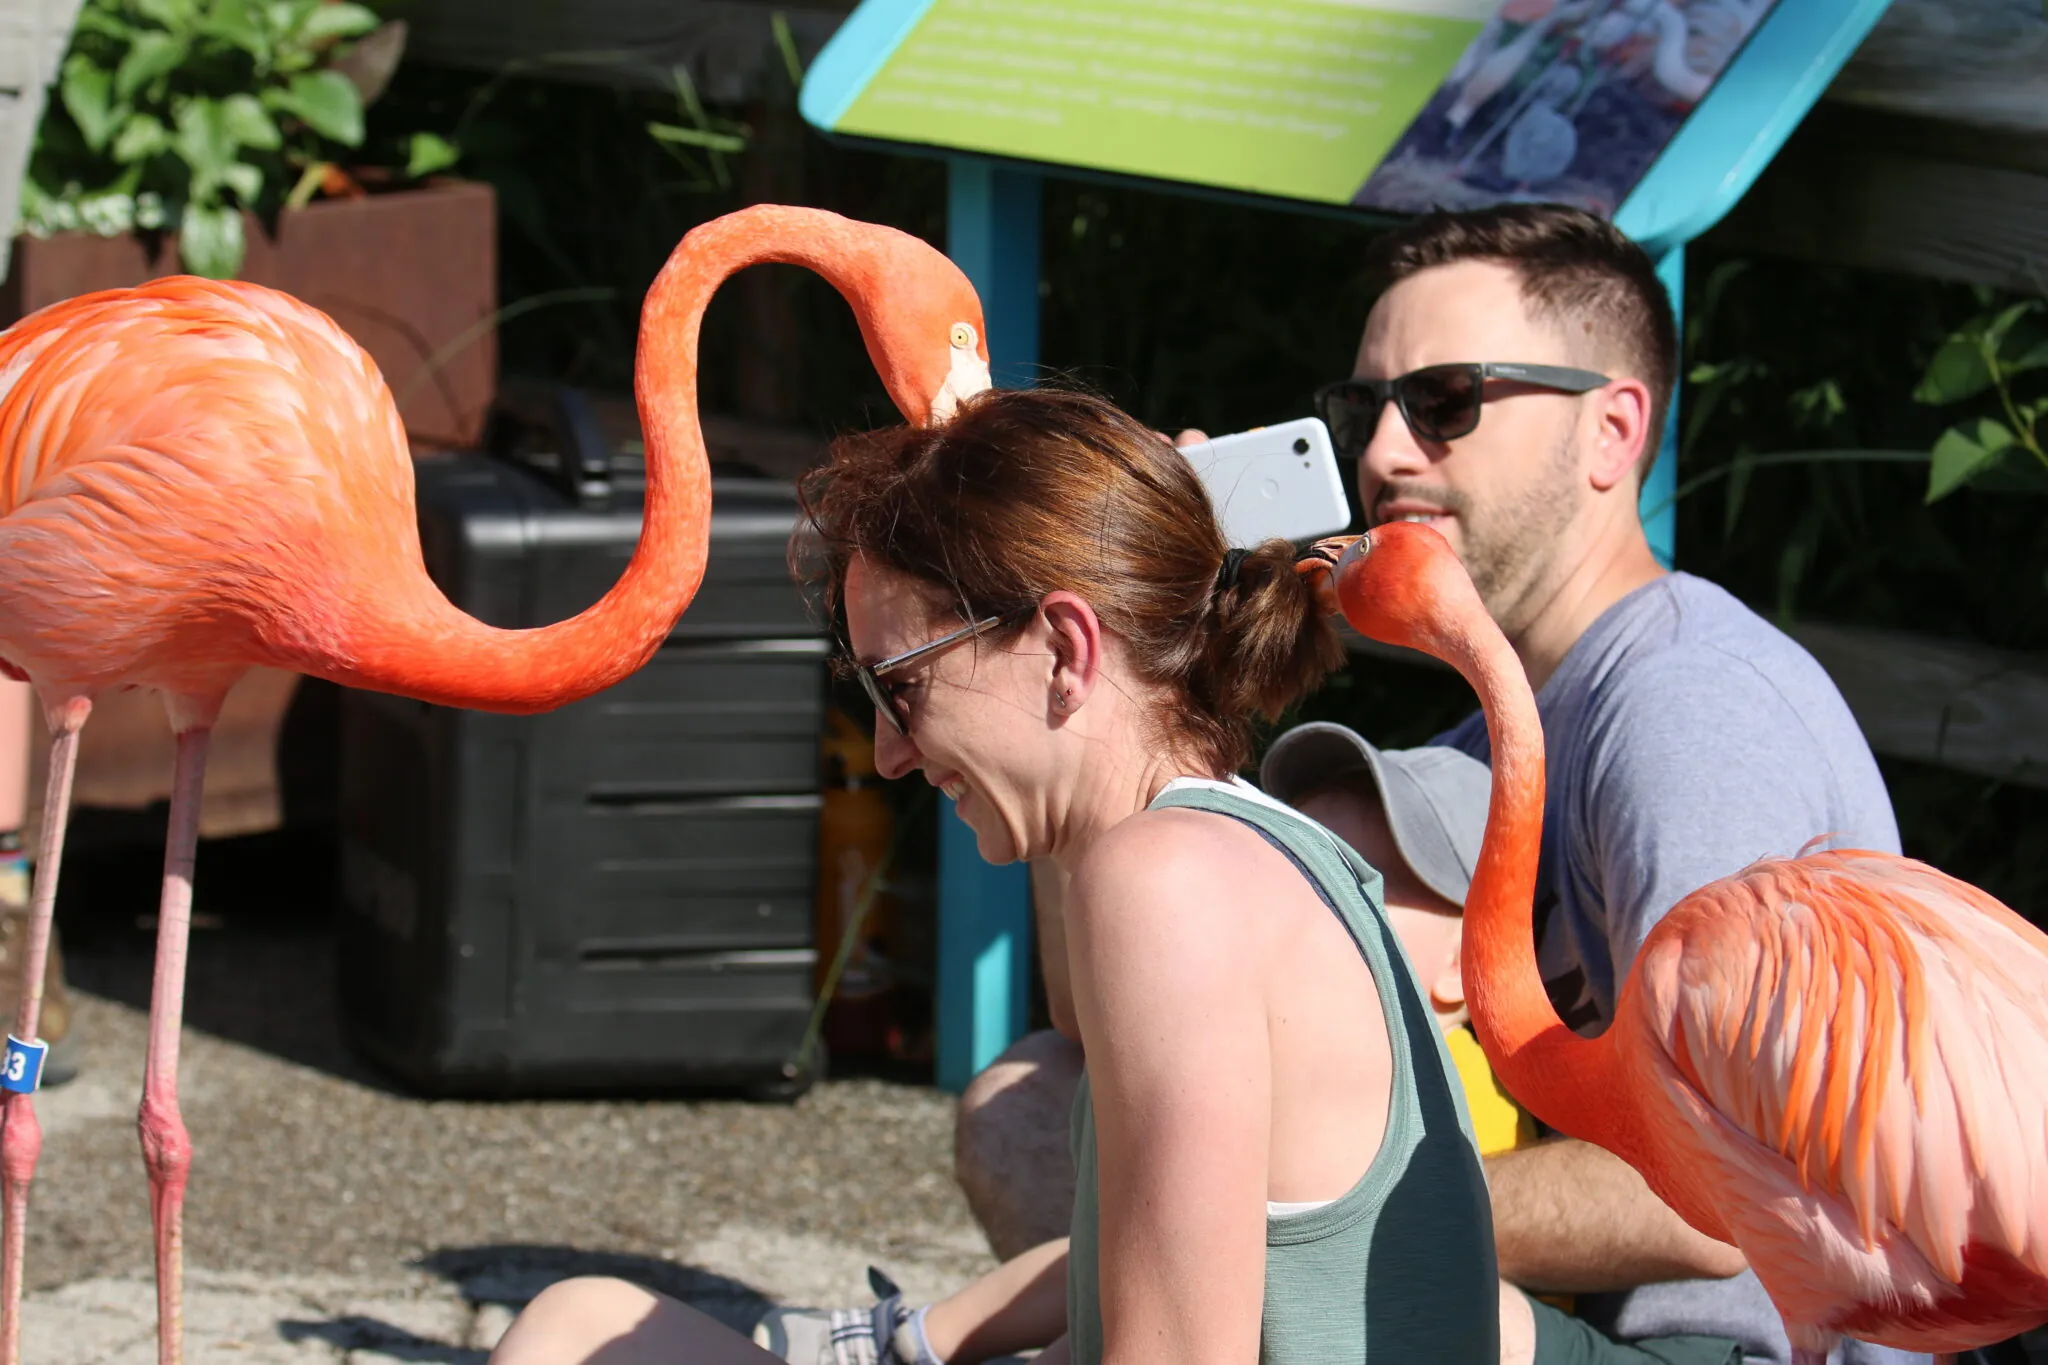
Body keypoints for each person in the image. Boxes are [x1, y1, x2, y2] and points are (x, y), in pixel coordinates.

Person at [944, 203, 1925, 1365]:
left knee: (1207, 1199)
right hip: (1556, 1326)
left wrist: (1320, 1214)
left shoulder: (1687, 711)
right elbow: (1111, 1017)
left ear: (1612, 432)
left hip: (1720, 1352)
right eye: (1363, 409)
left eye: (1446, 401)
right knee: (1037, 1103)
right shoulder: (1487, 734)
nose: (1382, 455)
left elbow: (1717, 1195)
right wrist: (1111, 670)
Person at [488, 386, 1500, 1365]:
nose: (888, 752)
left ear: (1064, 647)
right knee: (582, 1329)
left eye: (904, 686)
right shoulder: (1246, 849)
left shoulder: (1168, 882)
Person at [756, 731, 1565, 1365]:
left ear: (1467, 961)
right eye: (1304, 859)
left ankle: (919, 1336)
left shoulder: (1430, 1087)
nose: (1303, 895)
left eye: (1369, 882)